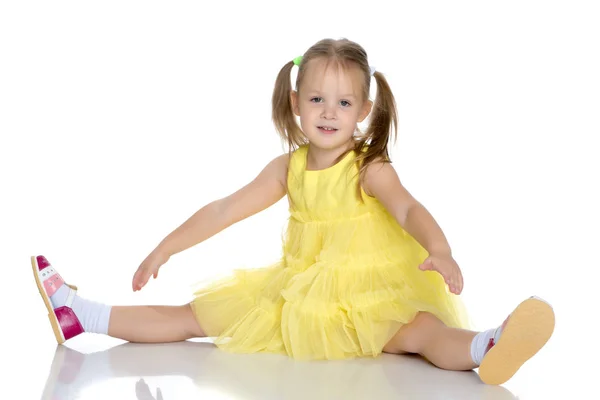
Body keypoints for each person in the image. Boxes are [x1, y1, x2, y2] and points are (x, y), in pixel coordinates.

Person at [31, 38, 555, 386]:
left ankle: (490, 345)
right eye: (317, 100)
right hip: (305, 294)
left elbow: (409, 209)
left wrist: (439, 249)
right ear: (297, 101)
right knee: (196, 316)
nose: (329, 113)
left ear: (364, 112)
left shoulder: (368, 166)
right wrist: (163, 248)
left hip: (370, 293)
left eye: (345, 103)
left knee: (420, 331)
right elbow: (224, 209)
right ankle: (83, 313)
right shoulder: (288, 167)